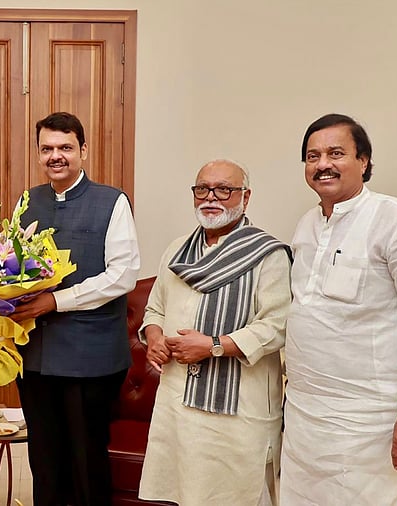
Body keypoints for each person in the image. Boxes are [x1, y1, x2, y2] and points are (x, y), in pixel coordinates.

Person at [281, 113, 397, 505]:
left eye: (336, 153)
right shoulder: (305, 226)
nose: (323, 164)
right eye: (312, 156)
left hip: (368, 418)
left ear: (364, 161)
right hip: (305, 414)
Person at [138, 160, 290, 505]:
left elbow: (276, 326)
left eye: (224, 190)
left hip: (238, 409)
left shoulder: (268, 254)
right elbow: (155, 308)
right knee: (184, 492)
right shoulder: (177, 250)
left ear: (245, 197)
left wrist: (213, 346)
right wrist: (154, 337)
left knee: (235, 495)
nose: (211, 198)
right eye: (202, 189)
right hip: (179, 400)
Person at [9, 111, 141, 506]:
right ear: (37, 154)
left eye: (65, 147)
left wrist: (55, 300)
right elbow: (12, 267)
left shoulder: (112, 201)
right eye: (47, 149)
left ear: (83, 150)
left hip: (92, 358)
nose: (56, 156)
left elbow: (123, 276)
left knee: (87, 464)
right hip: (34, 357)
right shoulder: (27, 201)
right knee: (44, 462)